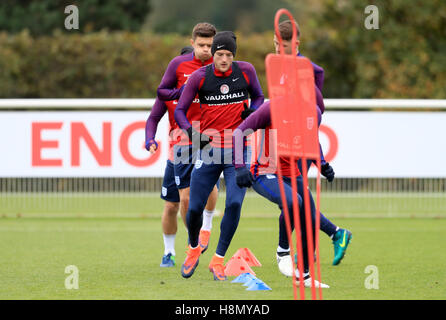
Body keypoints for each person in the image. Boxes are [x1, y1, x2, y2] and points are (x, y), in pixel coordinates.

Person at [174, 31, 264, 280]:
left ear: (233, 55)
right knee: (193, 209)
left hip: (238, 150)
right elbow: (180, 111)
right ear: (213, 54)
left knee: (234, 203)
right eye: (220, 54)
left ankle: (218, 259)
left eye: (228, 54)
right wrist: (194, 136)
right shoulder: (199, 77)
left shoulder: (246, 71)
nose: (224, 59)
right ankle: (193, 248)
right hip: (209, 150)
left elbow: (258, 96)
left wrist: (253, 112)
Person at [272, 20, 352, 273]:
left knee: (293, 201)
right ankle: (318, 243)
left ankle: (291, 250)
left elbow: (310, 117)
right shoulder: (280, 68)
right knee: (294, 201)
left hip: (299, 145)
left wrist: (320, 159)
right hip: (284, 143)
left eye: (283, 45)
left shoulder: (306, 70)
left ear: (296, 44)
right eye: (275, 44)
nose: (278, 49)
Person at [233, 100, 329, 288]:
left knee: (309, 217)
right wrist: (239, 167)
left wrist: (322, 164)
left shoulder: (313, 112)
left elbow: (312, 140)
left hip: (292, 172)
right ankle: (283, 251)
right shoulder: (272, 108)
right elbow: (239, 132)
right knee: (293, 201)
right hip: (264, 171)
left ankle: (305, 276)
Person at [146, 45, 217, 268]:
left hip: (203, 144)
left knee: (199, 189)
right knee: (171, 206)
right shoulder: (171, 95)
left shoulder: (206, 90)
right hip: (176, 151)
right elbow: (153, 119)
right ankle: (169, 252)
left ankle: (199, 233)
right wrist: (150, 139)